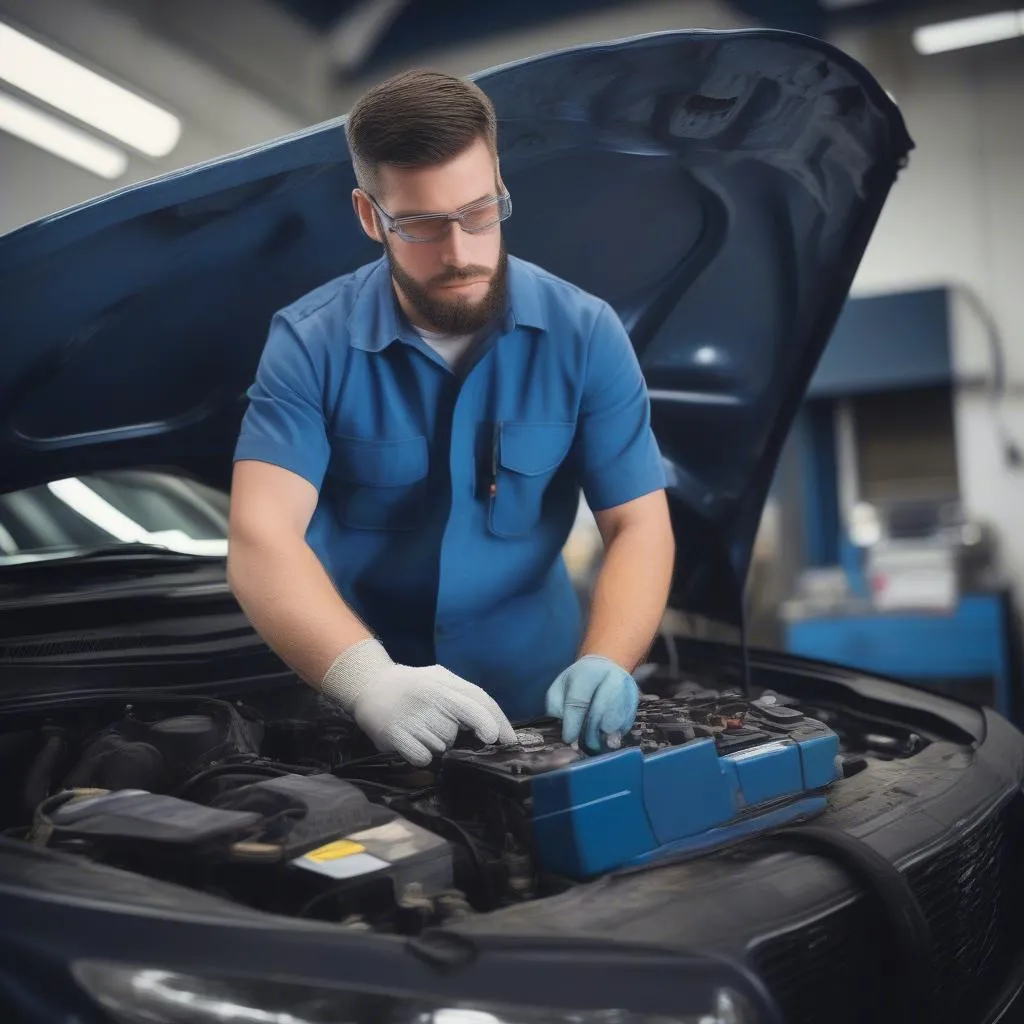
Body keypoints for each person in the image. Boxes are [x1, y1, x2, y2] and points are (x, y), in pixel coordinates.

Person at [227, 69, 675, 768]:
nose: (461, 251)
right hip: (362, 716)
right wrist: (365, 680)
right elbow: (260, 536)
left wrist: (610, 659)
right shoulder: (308, 342)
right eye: (423, 225)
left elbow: (638, 522)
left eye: (479, 212)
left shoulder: (586, 333)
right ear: (371, 216)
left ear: (501, 188)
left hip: (544, 703)